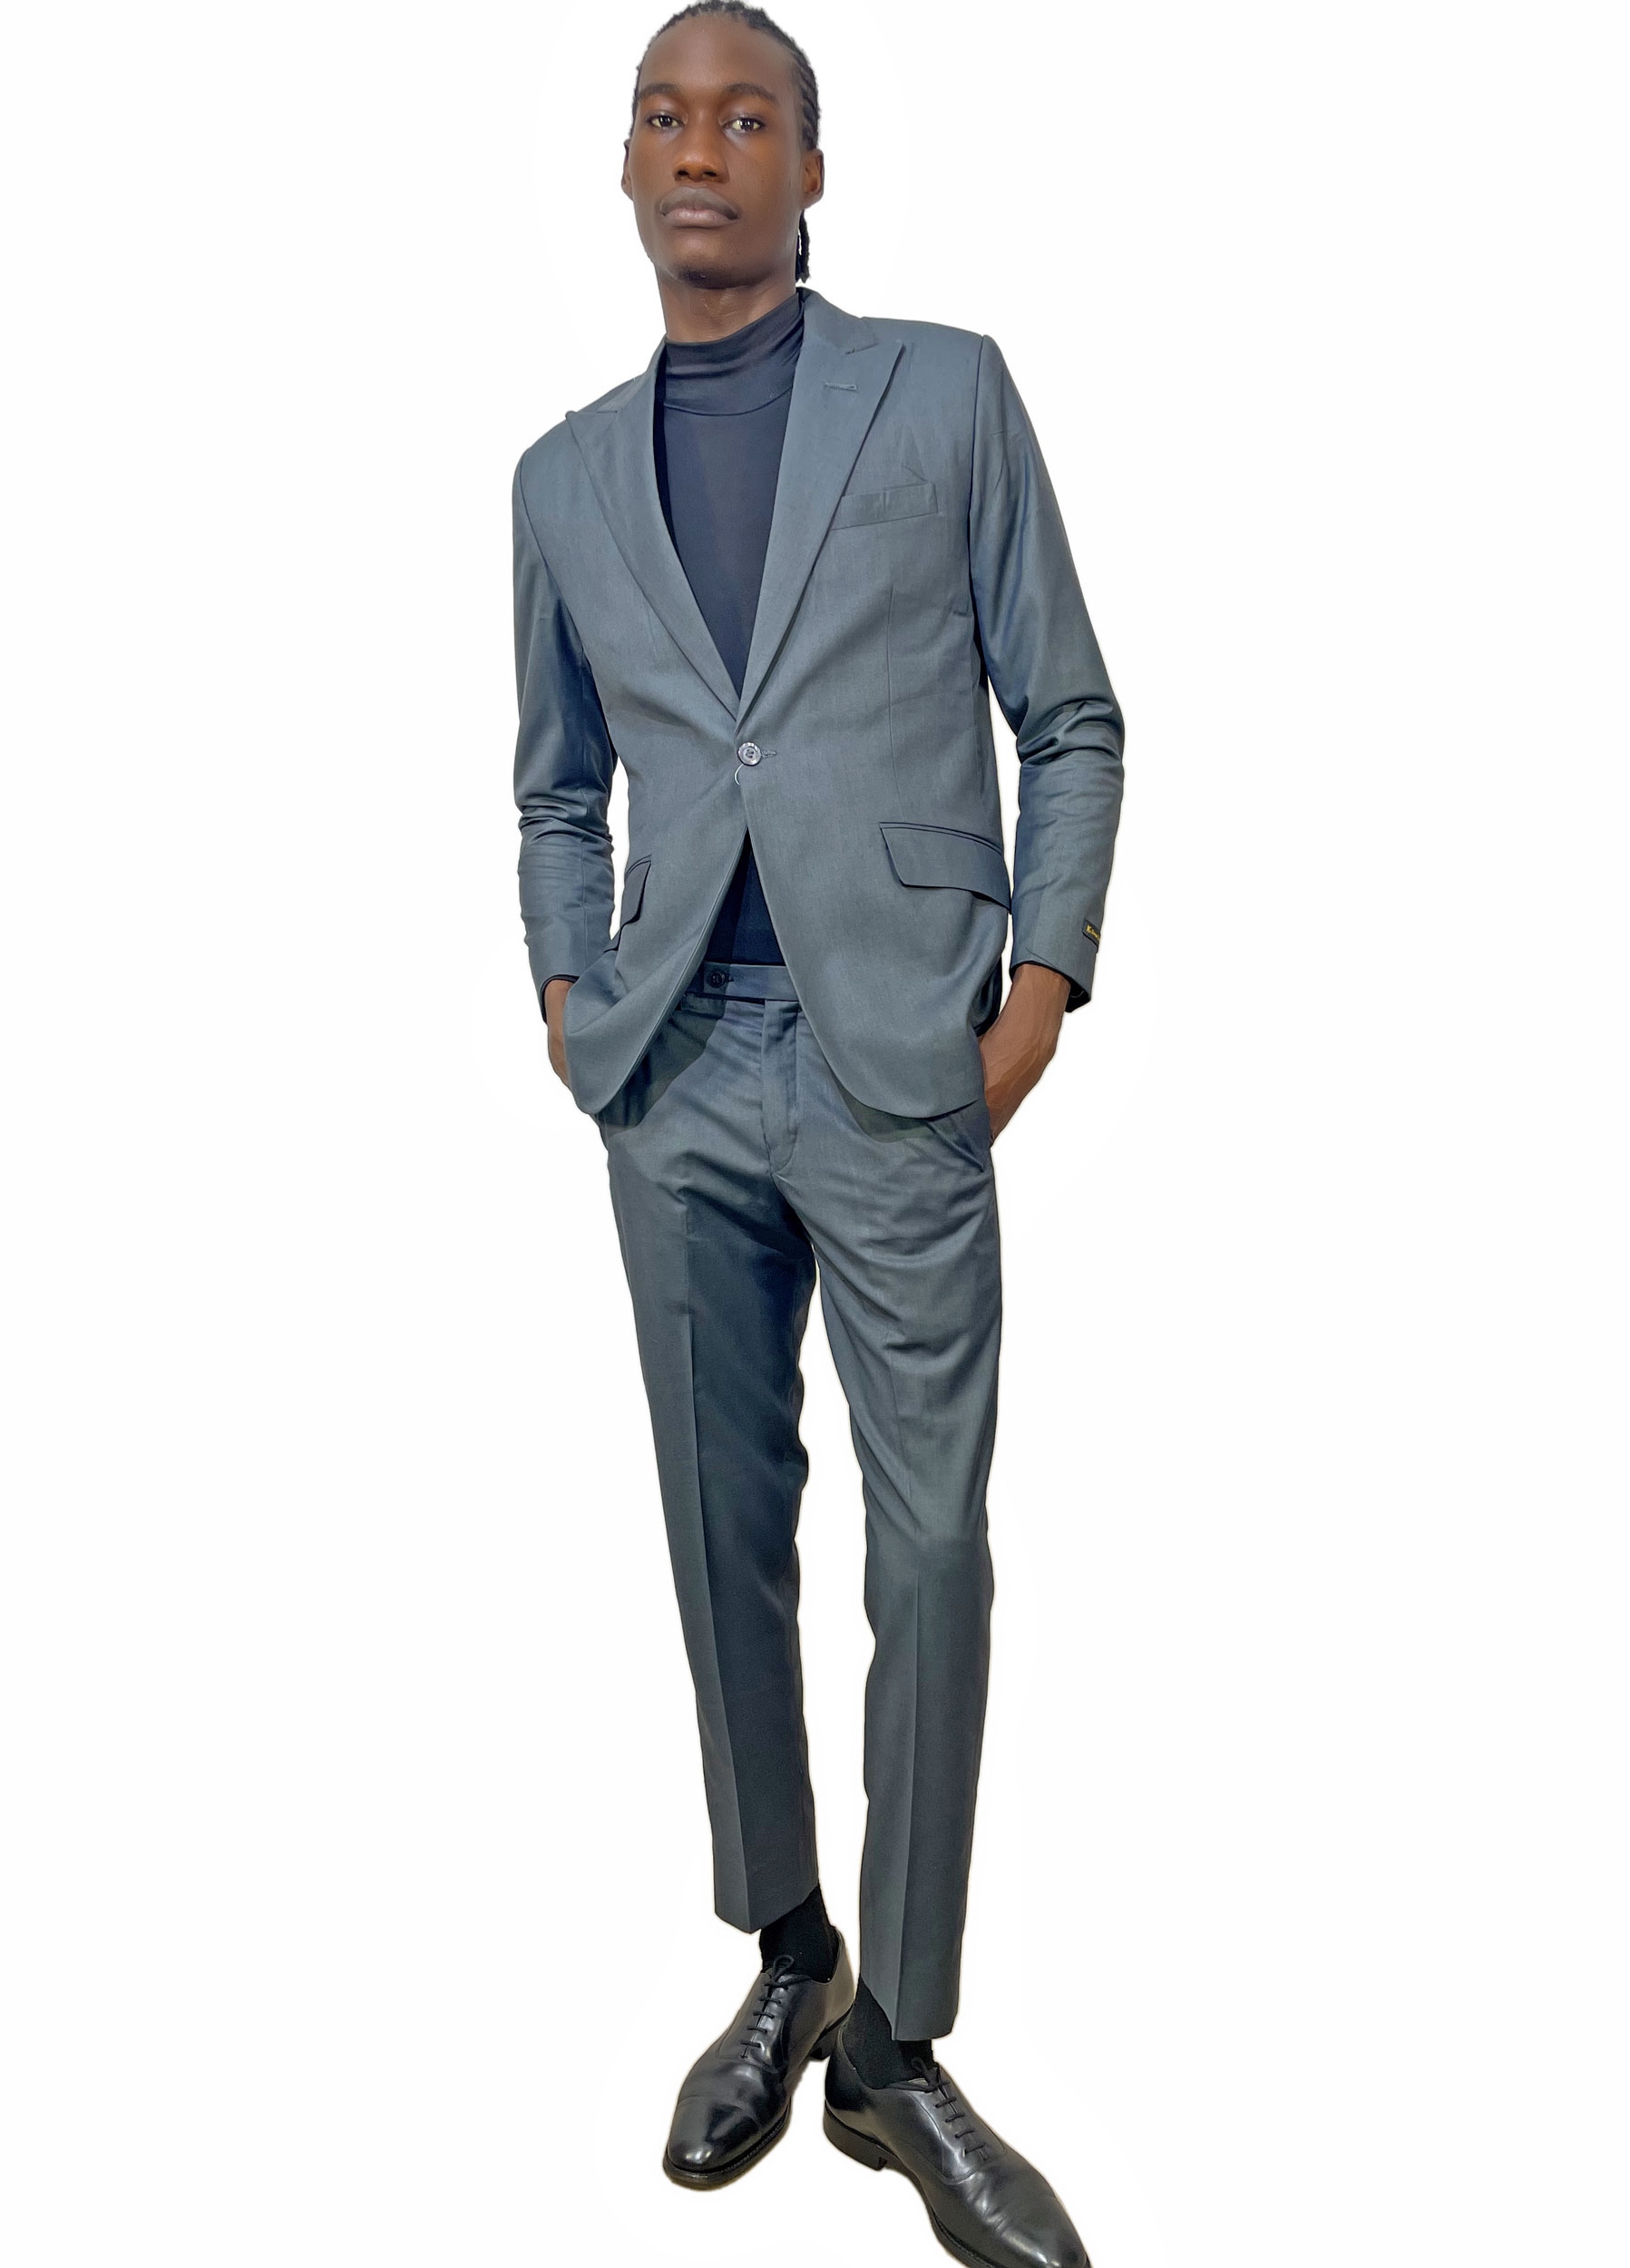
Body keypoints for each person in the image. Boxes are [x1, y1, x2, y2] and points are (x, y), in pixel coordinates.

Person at [511, 6, 1122, 2260]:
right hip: (672, 1067)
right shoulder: (561, 476)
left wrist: (1035, 993)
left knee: (930, 1546)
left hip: (899, 1063)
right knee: (720, 1530)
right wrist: (569, 999)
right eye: (665, 118)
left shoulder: (942, 393)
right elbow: (553, 779)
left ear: (809, 168)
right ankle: (787, 1950)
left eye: (746, 117)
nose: (703, 150)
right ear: (626, 166)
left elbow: (1070, 713)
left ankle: (900, 2049)